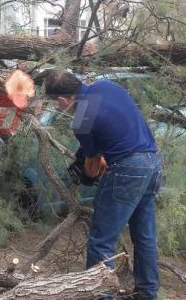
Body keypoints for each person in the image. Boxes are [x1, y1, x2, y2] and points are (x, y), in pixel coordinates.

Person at [44, 71, 162, 300]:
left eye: (55, 104)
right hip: (152, 162)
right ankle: (147, 294)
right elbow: (117, 130)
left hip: (127, 168)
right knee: (145, 236)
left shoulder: (81, 119)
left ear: (62, 100)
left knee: (101, 242)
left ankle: (100, 296)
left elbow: (91, 168)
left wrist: (88, 173)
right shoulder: (107, 86)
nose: (58, 108)